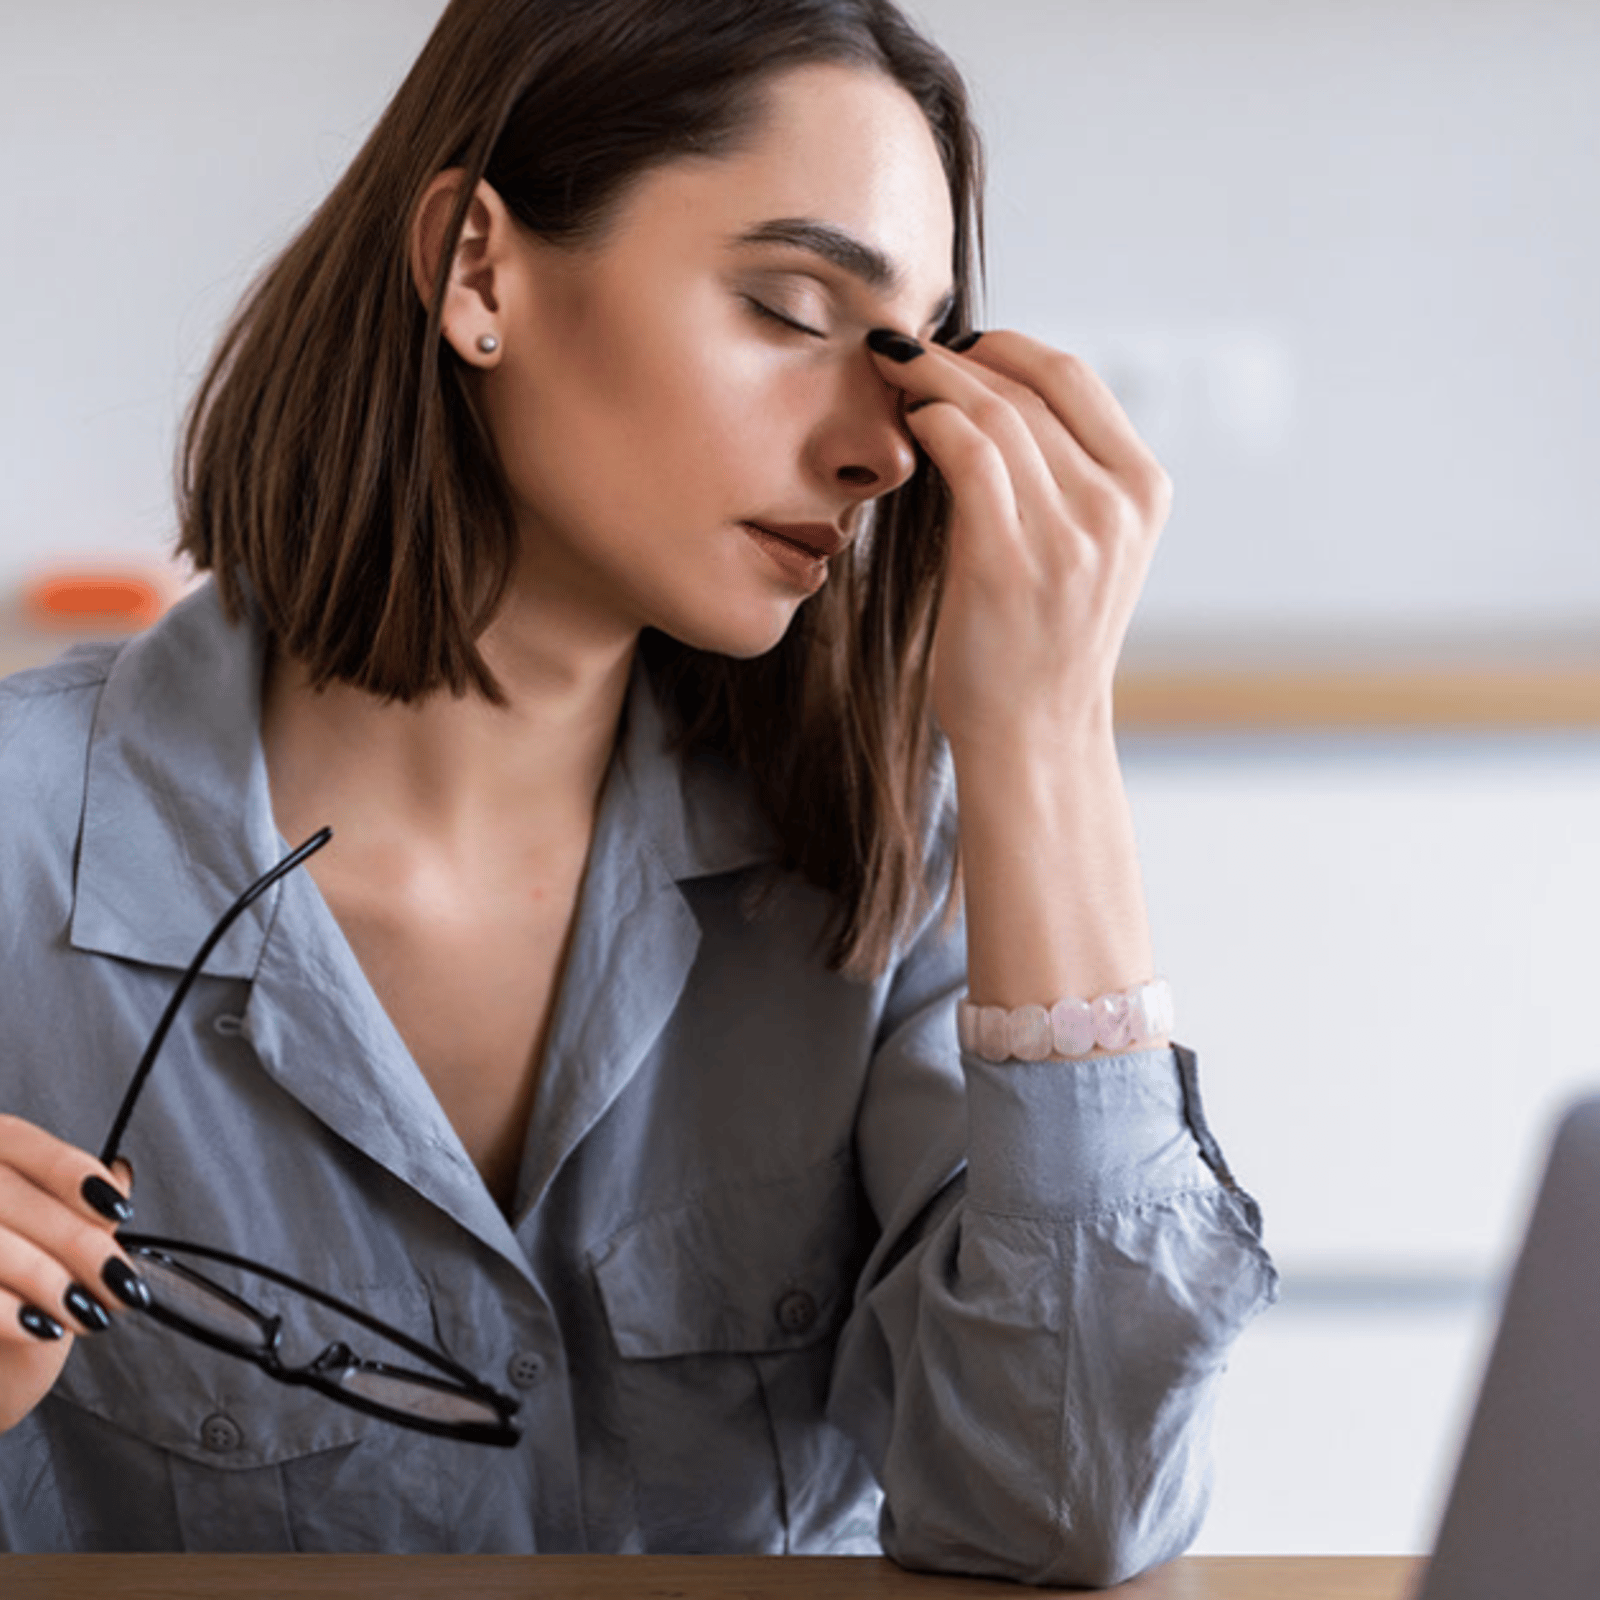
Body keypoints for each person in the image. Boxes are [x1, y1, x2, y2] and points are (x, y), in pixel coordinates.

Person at [0, 0, 1276, 1580]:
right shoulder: (17, 849)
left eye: (908, 351)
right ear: (480, 271)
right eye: (792, 305)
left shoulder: (880, 858)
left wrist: (1048, 741)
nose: (882, 448)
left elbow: (1070, 1510)